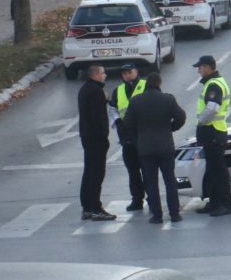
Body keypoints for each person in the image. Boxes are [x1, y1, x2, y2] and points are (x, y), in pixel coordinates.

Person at [123, 73, 186, 224]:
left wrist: (137, 137)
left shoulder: (136, 101)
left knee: (151, 182)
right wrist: (171, 128)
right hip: (165, 146)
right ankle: (174, 213)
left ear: (146, 84)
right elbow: (181, 117)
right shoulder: (168, 99)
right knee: (170, 180)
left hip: (146, 148)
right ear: (159, 83)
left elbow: (127, 123)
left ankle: (157, 215)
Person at [192, 55, 231, 217]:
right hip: (214, 132)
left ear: (208, 67)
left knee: (218, 171)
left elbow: (212, 108)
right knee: (212, 170)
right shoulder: (213, 82)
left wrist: (201, 122)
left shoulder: (214, 84)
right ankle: (214, 202)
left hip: (213, 131)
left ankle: (224, 204)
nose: (198, 70)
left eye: (200, 67)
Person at [78, 65, 117, 221]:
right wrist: (103, 137)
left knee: (89, 172)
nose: (105, 75)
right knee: (97, 173)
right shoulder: (95, 92)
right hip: (96, 139)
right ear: (95, 75)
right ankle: (96, 208)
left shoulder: (85, 89)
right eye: (102, 73)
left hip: (87, 137)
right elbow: (97, 118)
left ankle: (87, 207)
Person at [108, 63, 146, 212]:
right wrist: (117, 121)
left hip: (144, 135)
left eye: (129, 72)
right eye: (124, 73)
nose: (126, 75)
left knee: (147, 170)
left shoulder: (146, 85)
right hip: (127, 138)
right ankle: (137, 199)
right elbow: (112, 108)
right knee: (133, 171)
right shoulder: (118, 90)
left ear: (137, 71)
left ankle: (152, 198)